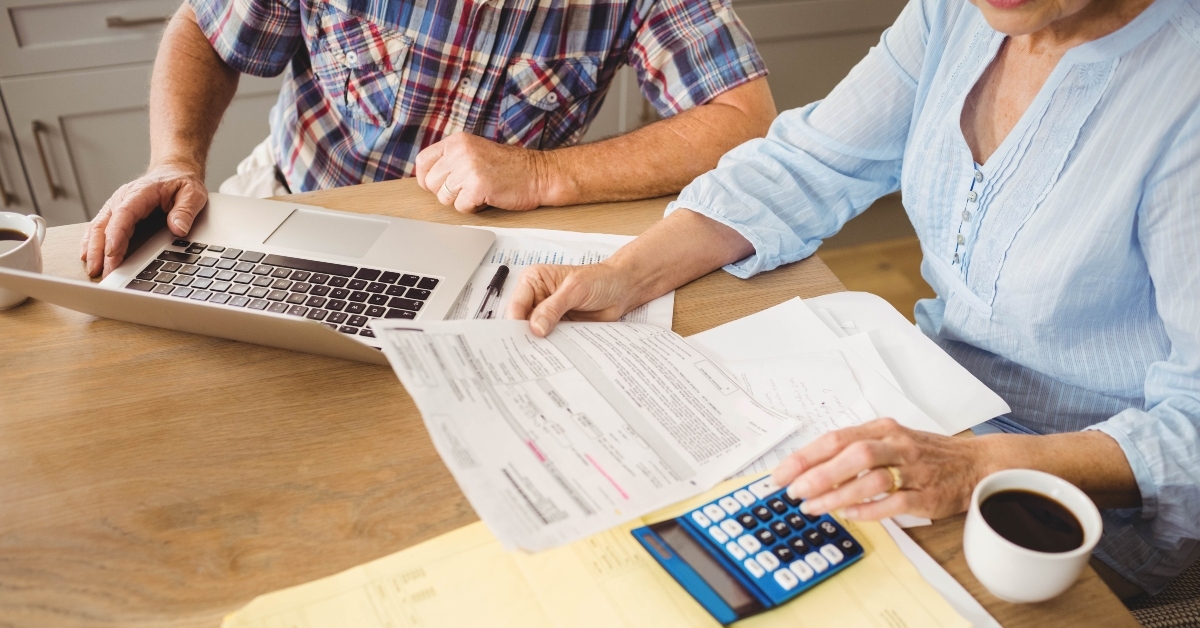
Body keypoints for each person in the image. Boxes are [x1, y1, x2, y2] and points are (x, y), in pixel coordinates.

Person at [509, 0, 1200, 597]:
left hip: (1063, 503)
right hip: (924, 415)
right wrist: (625, 274)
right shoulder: (954, 15)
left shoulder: (1184, 89)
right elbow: (810, 163)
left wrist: (971, 469)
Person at [80, 0, 777, 278]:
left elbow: (745, 115)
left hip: (490, 250)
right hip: (292, 208)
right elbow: (205, 30)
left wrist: (540, 175)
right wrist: (174, 158)